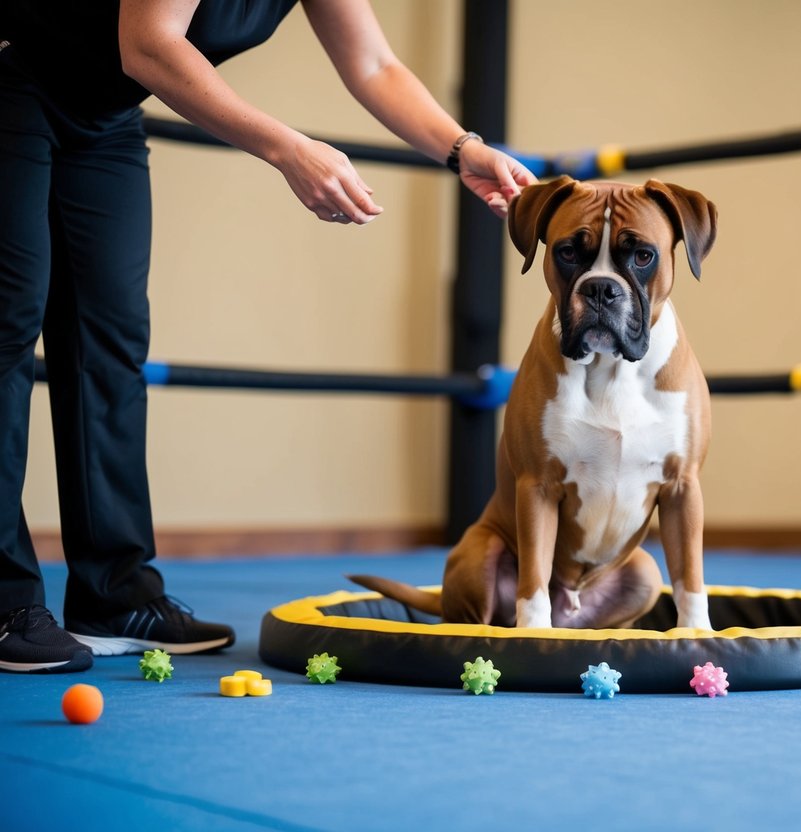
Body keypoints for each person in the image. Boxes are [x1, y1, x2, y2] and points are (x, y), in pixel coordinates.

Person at [0, 0, 537, 673]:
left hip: (103, 117)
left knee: (110, 344)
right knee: (8, 325)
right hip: (13, 75)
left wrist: (464, 149)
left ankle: (113, 594)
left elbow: (373, 64)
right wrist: (287, 147)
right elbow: (149, 45)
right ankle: (5, 603)